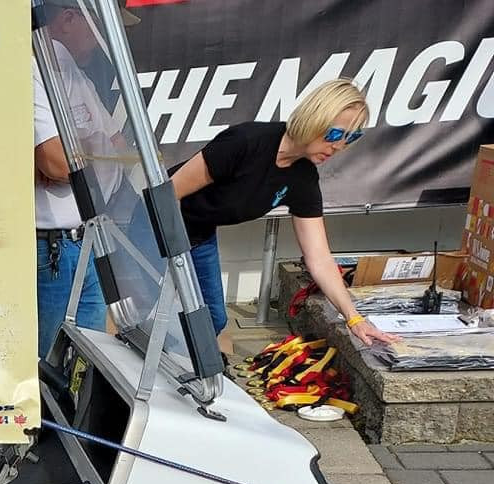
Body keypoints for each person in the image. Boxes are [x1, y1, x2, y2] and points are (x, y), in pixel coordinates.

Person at [173, 78, 398, 348]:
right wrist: (170, 258)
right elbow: (169, 192)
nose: (338, 147)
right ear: (315, 118)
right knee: (145, 305)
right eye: (335, 135)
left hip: (198, 233)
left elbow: (320, 259)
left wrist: (354, 319)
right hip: (156, 221)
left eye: (350, 139)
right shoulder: (245, 142)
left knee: (212, 320)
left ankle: (173, 368)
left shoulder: (303, 178)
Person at [32, 0, 134, 357]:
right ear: (69, 19)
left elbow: (118, 151)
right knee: (47, 365)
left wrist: (79, 154)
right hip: (51, 248)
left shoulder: (69, 67)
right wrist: (86, 153)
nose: (103, 41)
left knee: (91, 361)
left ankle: (71, 413)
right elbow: (59, 163)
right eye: (100, 29)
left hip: (85, 236)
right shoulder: (36, 61)